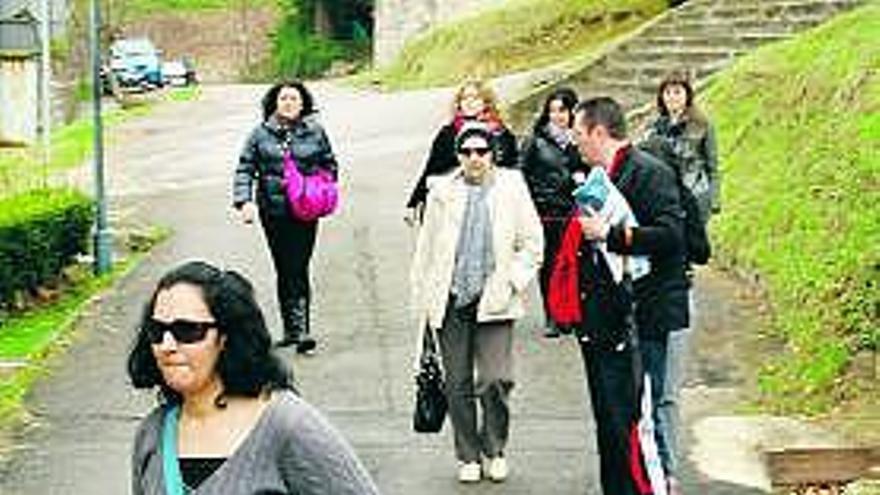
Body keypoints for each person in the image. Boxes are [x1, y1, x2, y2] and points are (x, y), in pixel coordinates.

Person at [127, 261, 380, 494]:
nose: (167, 345)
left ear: (226, 337)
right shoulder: (153, 433)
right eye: (157, 330)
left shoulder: (287, 426)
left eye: (188, 330)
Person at [565, 97, 688, 494]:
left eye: (579, 133)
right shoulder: (599, 177)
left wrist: (611, 235)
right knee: (612, 423)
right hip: (606, 322)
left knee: (640, 424)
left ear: (600, 132)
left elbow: (671, 235)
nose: (574, 142)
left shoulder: (649, 172)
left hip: (645, 319)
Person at [410, 122, 543, 484]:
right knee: (457, 383)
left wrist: (513, 281)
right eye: (466, 152)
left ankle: (495, 448)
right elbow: (426, 248)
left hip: (496, 299)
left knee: (496, 379)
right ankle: (468, 455)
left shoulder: (512, 187)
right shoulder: (440, 191)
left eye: (481, 151)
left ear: (492, 154)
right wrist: (422, 297)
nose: (474, 158)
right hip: (451, 298)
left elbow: (533, 244)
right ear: (458, 155)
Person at [639, 71, 720, 494]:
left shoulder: (702, 127)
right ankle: (656, 469)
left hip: (672, 301)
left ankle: (667, 471)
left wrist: (702, 208)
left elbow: (713, 167)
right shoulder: (635, 201)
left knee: (664, 392)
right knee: (656, 392)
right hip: (654, 303)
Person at [233, 81, 338, 353]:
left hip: (305, 211)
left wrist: (320, 187)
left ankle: (303, 331)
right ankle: (291, 330)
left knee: (299, 266)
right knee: (284, 267)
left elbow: (330, 164)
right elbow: (245, 168)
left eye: (294, 98)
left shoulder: (315, 132)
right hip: (273, 211)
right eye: (283, 98)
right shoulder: (260, 134)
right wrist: (243, 201)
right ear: (275, 103)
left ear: (303, 103)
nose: (289, 103)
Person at [405, 78, 519, 225]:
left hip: (493, 204)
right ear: (459, 103)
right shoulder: (448, 133)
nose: (470, 102)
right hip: (453, 205)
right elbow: (432, 168)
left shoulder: (501, 133)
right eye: (465, 98)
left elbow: (513, 170)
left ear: (486, 102)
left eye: (476, 97)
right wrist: (414, 202)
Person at [520, 87, 585, 338]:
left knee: (572, 263)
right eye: (553, 110)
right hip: (545, 211)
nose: (558, 116)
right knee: (548, 265)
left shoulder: (578, 140)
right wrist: (529, 207)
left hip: (573, 210)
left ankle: (570, 313)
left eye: (563, 110)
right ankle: (552, 315)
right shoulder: (535, 141)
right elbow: (521, 173)